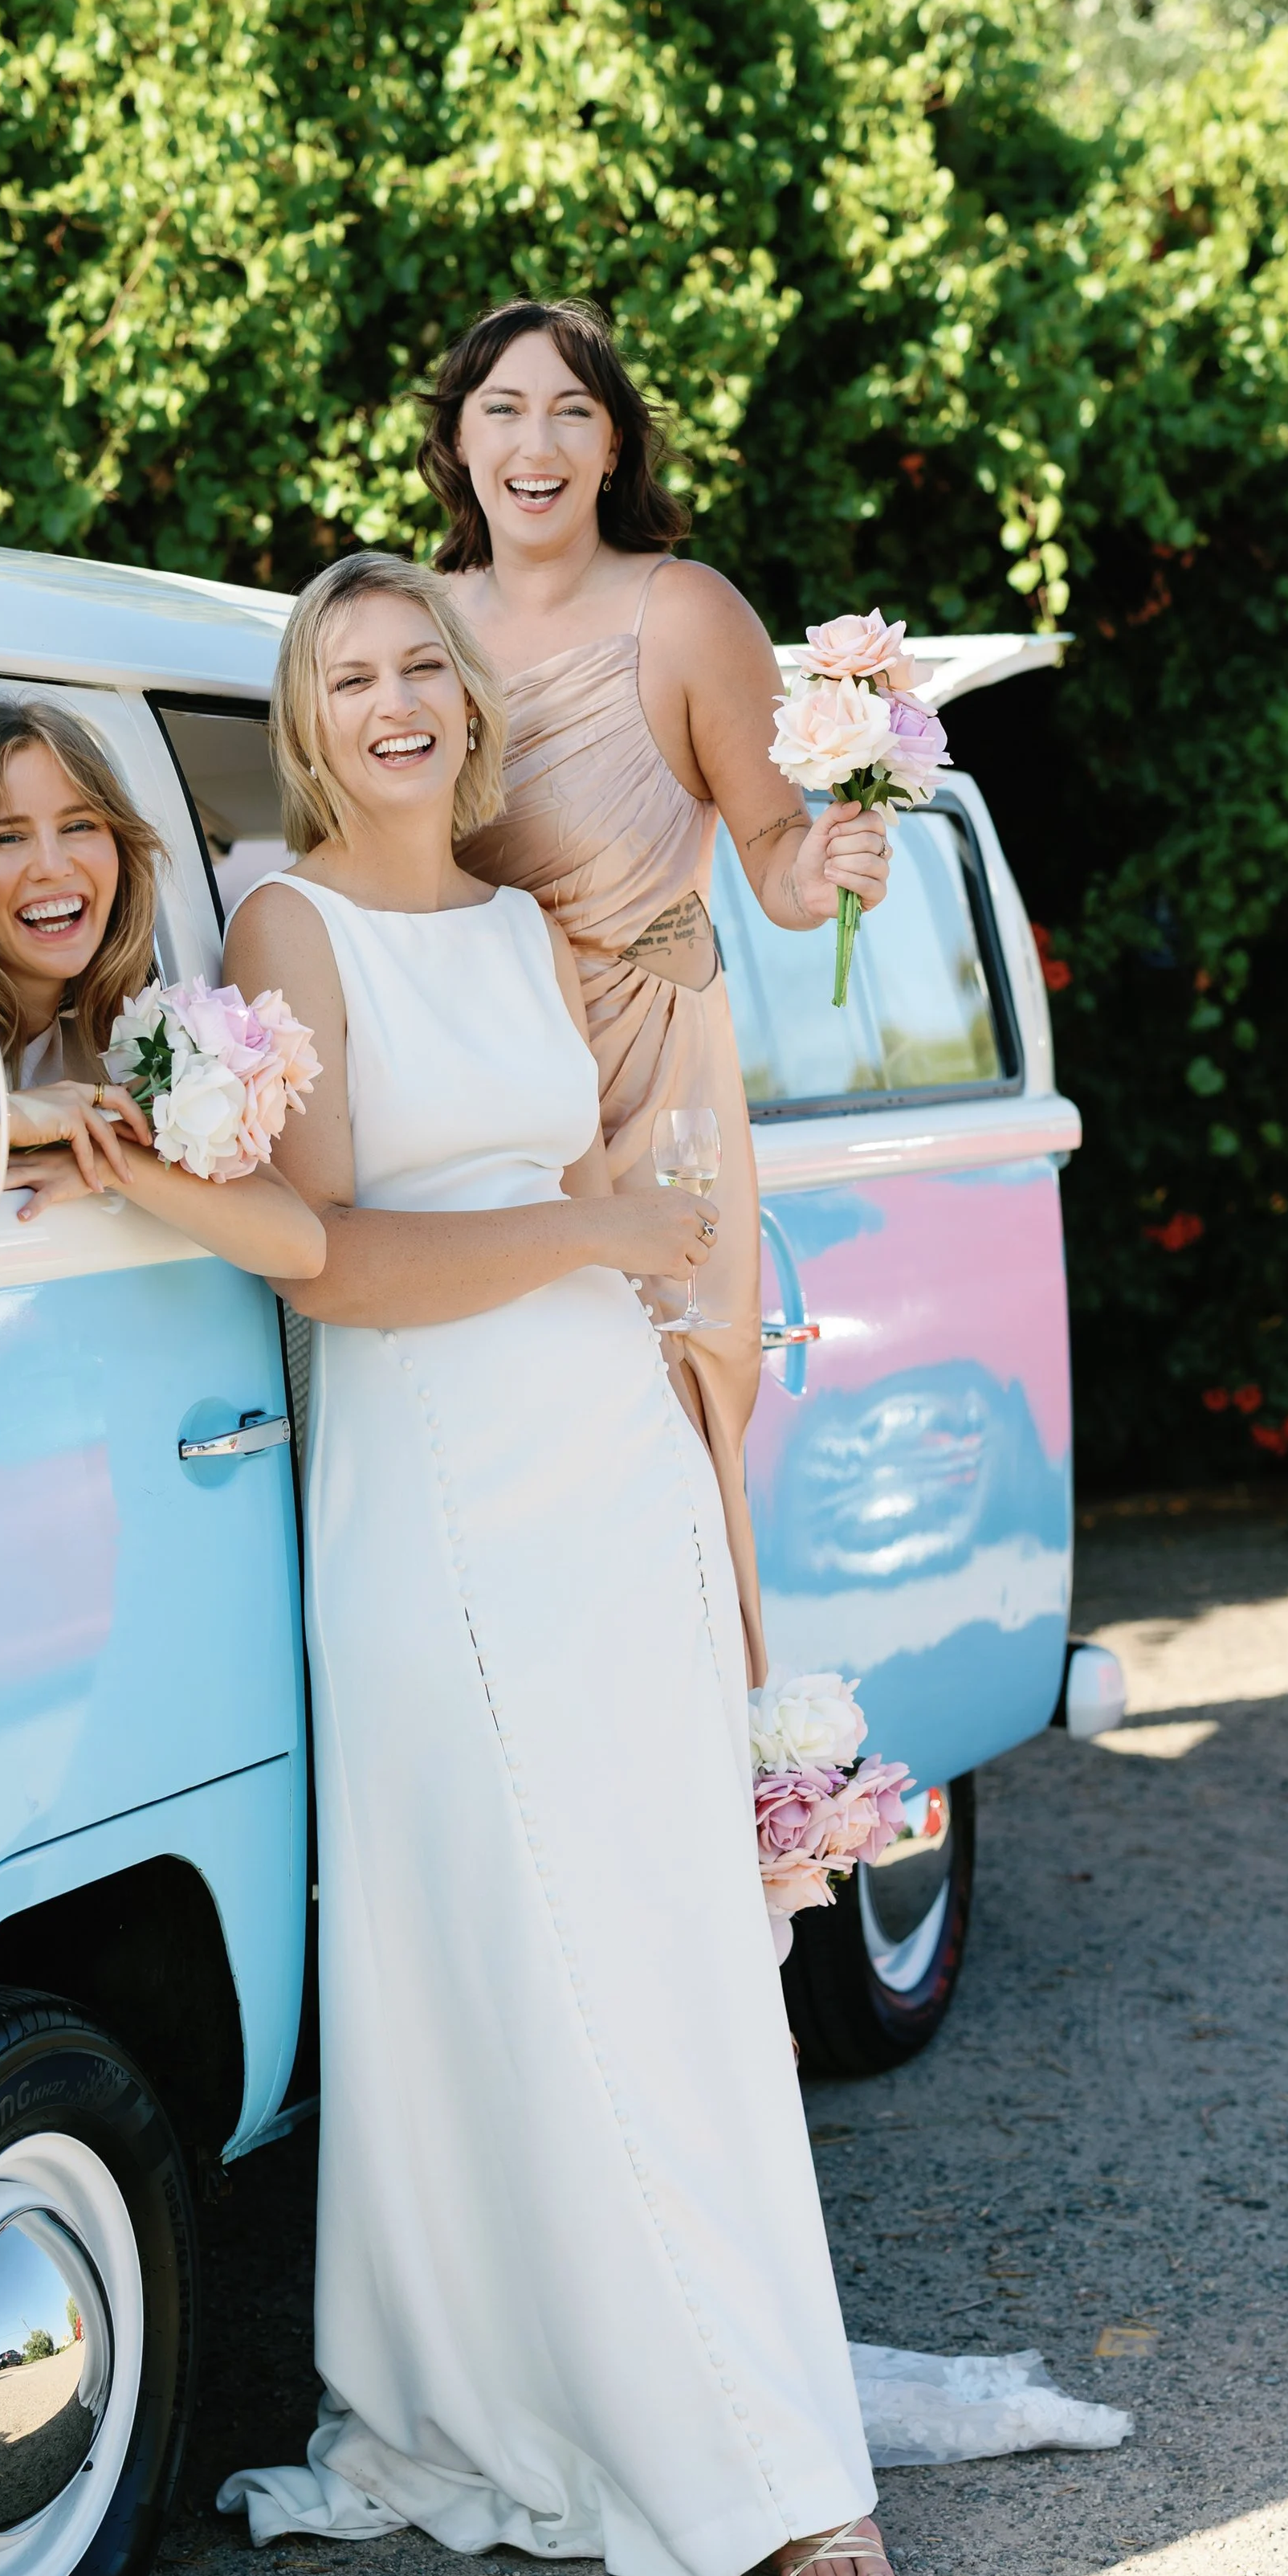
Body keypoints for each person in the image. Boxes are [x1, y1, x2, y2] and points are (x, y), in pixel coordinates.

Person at [215, 553, 894, 2576]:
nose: (399, 698)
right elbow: (330, 1256)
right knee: (528, 1954)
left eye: (426, 662)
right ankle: (742, 2450)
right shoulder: (282, 920)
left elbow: (648, 1082)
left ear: (467, 704)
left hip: (608, 1470)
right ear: (308, 721)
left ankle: (724, 2392)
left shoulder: (524, 919)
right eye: (354, 675)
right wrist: (586, 1227)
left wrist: (620, 1236)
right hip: (434, 1494)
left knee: (672, 1938)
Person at [424, 299, 893, 1684]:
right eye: (503, 407)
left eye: (572, 409)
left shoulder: (685, 610)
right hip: (474, 1096)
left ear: (614, 442)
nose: (538, 440)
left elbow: (772, 864)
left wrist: (830, 861)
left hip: (648, 1085)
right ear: (458, 441)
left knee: (651, 1467)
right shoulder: (416, 622)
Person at [0, 696, 324, 1282]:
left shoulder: (126, 1036)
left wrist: (109, 1162)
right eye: (6, 838)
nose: (51, 865)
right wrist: (13, 1116)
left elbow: (300, 1248)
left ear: (119, 849)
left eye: (78, 826)